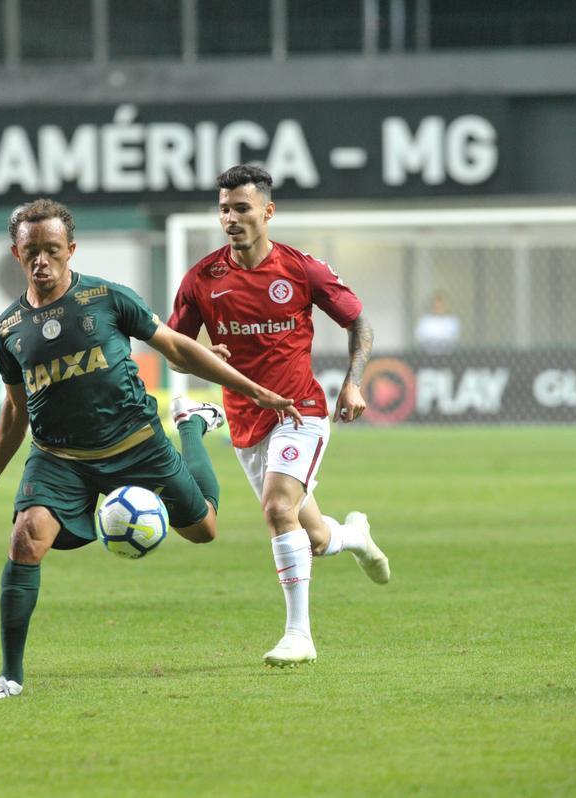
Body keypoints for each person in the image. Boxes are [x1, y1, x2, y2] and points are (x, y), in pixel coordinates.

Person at [0, 198, 301, 700]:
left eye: (52, 250)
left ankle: (191, 427)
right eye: (32, 251)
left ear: (71, 249)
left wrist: (253, 389)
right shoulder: (8, 328)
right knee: (26, 539)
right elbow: (15, 408)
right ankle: (10, 676)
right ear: (16, 253)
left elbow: (177, 347)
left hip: (136, 444)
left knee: (204, 529)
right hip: (59, 458)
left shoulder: (107, 298)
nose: (42, 261)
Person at [168, 164, 390, 669]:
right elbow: (174, 348)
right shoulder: (202, 279)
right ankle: (354, 535)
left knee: (275, 509)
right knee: (310, 536)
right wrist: (205, 357)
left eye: (242, 208)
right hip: (246, 423)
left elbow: (359, 322)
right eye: (224, 209)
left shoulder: (300, 269)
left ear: (267, 212)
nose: (231, 218)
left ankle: (299, 636)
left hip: (300, 411)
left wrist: (353, 381)